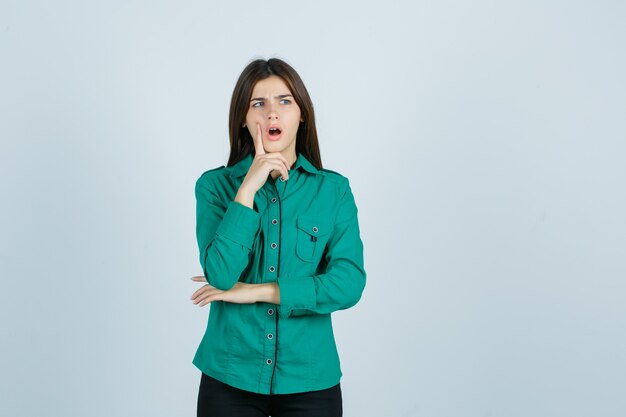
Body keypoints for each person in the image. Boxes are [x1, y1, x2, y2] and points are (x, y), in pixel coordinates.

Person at [189, 57, 367, 417]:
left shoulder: (333, 191)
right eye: (259, 103)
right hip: (229, 376)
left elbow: (349, 284)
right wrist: (248, 188)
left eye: (284, 101)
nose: (272, 113)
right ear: (243, 117)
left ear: (302, 115)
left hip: (310, 380)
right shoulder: (214, 187)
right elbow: (221, 275)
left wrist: (257, 291)